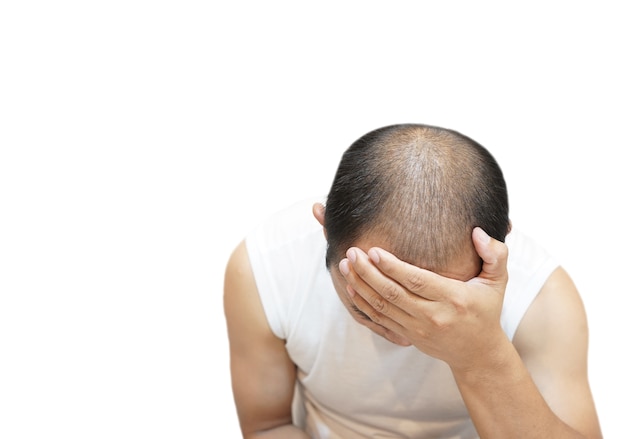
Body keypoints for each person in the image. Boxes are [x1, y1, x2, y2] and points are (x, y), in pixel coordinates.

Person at [223, 123, 602, 438]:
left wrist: (480, 353)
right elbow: (268, 426)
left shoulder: (542, 298)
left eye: (444, 304)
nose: (409, 335)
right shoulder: (265, 268)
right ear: (326, 230)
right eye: (370, 306)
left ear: (498, 247)